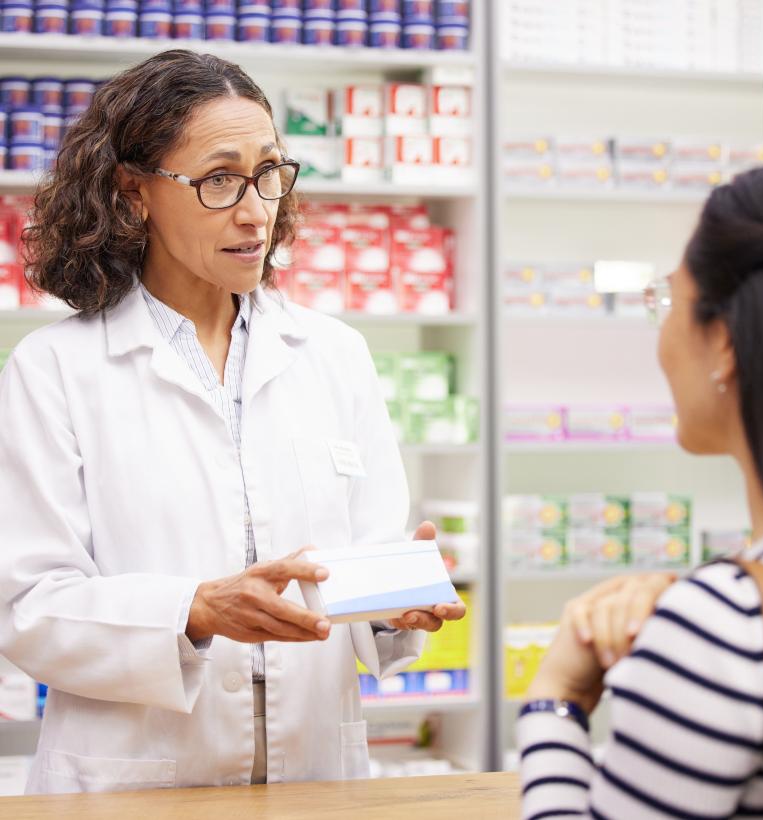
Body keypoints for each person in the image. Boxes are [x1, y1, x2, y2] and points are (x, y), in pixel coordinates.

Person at [0, 49, 465, 794]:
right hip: (132, 786)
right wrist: (192, 610)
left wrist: (392, 606)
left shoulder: (333, 354)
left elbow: (365, 564)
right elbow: (29, 607)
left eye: (270, 173)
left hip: (313, 778)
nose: (256, 211)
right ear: (134, 192)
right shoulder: (55, 371)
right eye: (219, 180)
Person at [518, 158, 763, 818]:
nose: (660, 336)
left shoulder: (725, 630)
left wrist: (556, 698)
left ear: (726, 344)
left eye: (666, 302)